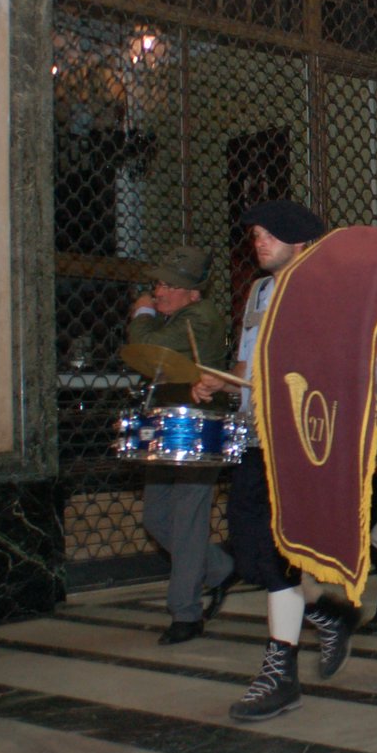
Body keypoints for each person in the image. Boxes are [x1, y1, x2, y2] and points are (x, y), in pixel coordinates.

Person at [191, 201, 360, 717]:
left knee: (280, 553)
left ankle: (279, 669)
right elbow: (248, 358)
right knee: (251, 553)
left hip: (298, 438)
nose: (258, 242)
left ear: (299, 240)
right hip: (254, 437)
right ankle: (328, 615)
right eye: (256, 235)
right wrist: (222, 379)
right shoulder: (260, 290)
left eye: (269, 235)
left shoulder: (330, 289)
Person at [128, 244, 235, 645]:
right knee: (157, 518)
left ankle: (186, 613)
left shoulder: (200, 318)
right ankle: (221, 568)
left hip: (197, 426)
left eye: (170, 286)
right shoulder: (176, 317)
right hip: (166, 425)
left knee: (189, 519)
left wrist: (142, 313)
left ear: (194, 294)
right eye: (157, 284)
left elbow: (145, 349)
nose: (160, 292)